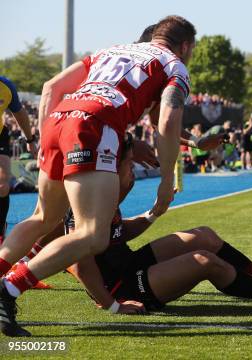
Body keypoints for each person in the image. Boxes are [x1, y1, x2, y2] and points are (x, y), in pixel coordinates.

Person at [0, 15, 197, 337]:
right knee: (93, 234)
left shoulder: (111, 50)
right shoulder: (174, 64)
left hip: (60, 118)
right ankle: (8, 288)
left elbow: (52, 87)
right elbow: (168, 120)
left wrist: (43, 137)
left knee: (44, 217)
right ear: (185, 45)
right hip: (94, 126)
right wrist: (165, 180)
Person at [34, 134, 252, 313]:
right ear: (112, 166)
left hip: (130, 265)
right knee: (204, 261)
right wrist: (112, 305)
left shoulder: (111, 189)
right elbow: (79, 265)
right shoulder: (90, 200)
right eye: (130, 162)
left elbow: (121, 233)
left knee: (204, 236)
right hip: (122, 287)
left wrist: (153, 214)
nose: (134, 168)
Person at [0, 77, 35, 240]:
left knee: (2, 184)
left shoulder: (6, 86)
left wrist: (30, 140)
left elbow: (20, 114)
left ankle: (0, 233)